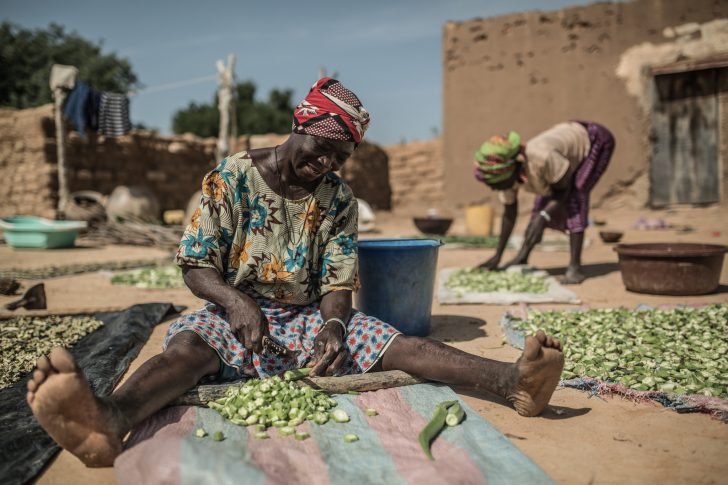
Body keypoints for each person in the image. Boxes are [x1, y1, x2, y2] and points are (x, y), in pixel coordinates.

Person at [26, 78, 564, 467]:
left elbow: (337, 280)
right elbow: (195, 265)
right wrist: (238, 303)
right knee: (187, 353)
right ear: (300, 126)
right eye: (323, 148)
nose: (327, 164)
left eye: (340, 158)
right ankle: (110, 420)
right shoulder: (232, 178)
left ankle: (511, 382)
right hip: (234, 312)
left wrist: (333, 326)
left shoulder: (337, 198)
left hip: (308, 318)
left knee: (402, 345)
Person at [474, 121, 615, 284]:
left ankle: (575, 268)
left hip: (593, 141)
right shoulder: (507, 177)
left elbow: (564, 189)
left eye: (495, 184)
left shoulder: (542, 158)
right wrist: (497, 255)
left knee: (575, 197)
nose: (493, 189)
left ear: (508, 172)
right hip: (561, 159)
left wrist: (544, 215)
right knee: (540, 209)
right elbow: (509, 215)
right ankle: (522, 256)